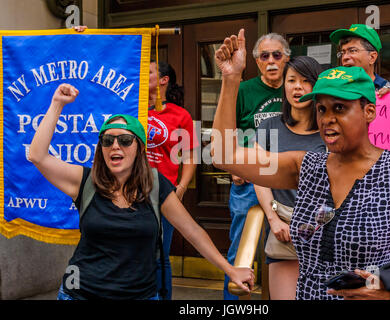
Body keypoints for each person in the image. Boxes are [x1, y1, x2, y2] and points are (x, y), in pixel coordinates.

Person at [212, 29, 390, 300]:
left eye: (340, 108)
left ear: (369, 112)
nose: (327, 118)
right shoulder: (307, 167)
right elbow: (224, 156)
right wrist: (231, 78)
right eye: (321, 109)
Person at [28, 83, 254, 300]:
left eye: (125, 140)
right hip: (79, 293)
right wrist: (57, 104)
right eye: (108, 140)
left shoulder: (156, 186)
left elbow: (193, 232)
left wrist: (230, 269)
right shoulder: (85, 181)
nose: (115, 146)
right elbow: (37, 155)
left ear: (139, 148)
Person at [224, 32, 291, 300]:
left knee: (292, 249)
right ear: (257, 61)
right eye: (265, 56)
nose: (272, 60)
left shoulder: (297, 87)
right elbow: (227, 131)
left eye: (277, 55)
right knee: (241, 251)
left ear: (287, 58)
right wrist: (234, 166)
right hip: (250, 178)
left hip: (289, 181)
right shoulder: (244, 90)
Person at [254, 56, 326, 299]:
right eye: (292, 80)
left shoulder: (329, 128)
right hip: (283, 229)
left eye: (306, 81)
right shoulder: (270, 127)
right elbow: (260, 177)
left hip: (325, 231)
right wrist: (273, 220)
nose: (298, 87)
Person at [147, 61, 198, 299]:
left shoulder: (180, 115)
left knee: (159, 255)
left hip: (162, 193)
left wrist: (181, 188)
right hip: (128, 192)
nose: (140, 76)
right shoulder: (130, 107)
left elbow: (190, 156)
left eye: (148, 72)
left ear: (164, 80)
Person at [330, 24, 390, 97]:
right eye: (343, 52)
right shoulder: (336, 89)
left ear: (372, 57)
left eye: (352, 50)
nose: (344, 57)